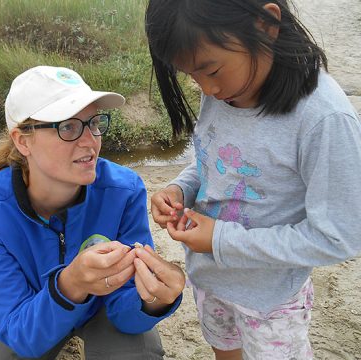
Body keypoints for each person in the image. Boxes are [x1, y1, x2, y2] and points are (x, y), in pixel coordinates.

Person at [145, 1, 361, 359]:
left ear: (266, 24)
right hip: (211, 278)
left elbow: (340, 236)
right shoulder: (225, 87)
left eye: (210, 70)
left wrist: (220, 239)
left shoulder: (324, 120)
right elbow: (213, 159)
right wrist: (180, 189)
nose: (207, 89)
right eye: (191, 75)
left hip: (270, 299)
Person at [0, 65, 185, 359]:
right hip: (34, 308)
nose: (91, 141)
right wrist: (70, 285)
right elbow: (20, 335)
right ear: (23, 140)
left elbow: (128, 310)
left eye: (94, 123)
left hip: (105, 308)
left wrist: (152, 302)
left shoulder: (125, 191)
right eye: (68, 127)